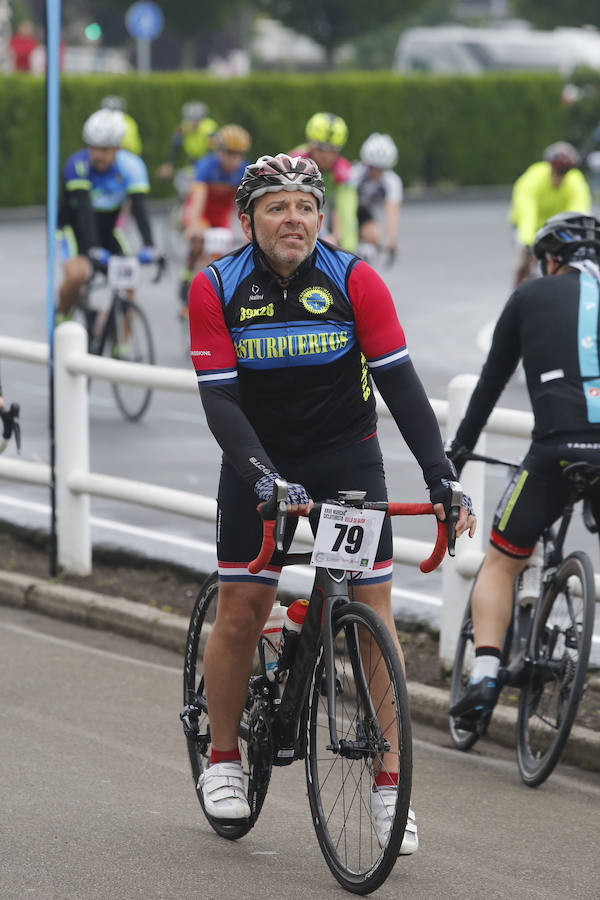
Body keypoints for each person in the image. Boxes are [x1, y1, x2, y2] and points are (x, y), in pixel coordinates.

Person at [188, 152, 476, 851]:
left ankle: (388, 786)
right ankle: (224, 756)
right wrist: (262, 477)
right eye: (278, 206)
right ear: (249, 217)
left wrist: (441, 477)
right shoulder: (216, 286)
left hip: (345, 457)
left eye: (306, 206)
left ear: (323, 215)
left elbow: (402, 387)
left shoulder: (355, 281)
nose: (295, 218)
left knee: (370, 608)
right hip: (258, 459)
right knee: (243, 609)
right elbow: (220, 401)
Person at [446, 211, 600, 730]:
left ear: (551, 261)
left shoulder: (530, 296)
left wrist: (459, 451)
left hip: (555, 448)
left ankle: (486, 673)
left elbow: (491, 382)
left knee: (501, 561)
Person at [56, 109, 156, 321]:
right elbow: (84, 211)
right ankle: (63, 317)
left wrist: (149, 245)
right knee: (77, 275)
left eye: (104, 149)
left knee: (129, 279)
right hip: (74, 230)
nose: (97, 154)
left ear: (117, 147)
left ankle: (122, 345)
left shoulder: (131, 166)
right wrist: (92, 247)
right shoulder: (78, 164)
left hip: (108, 229)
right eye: (92, 147)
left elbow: (139, 209)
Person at [178, 124, 251, 310]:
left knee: (225, 252)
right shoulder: (207, 165)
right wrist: (194, 225)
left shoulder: (243, 170)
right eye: (228, 153)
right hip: (200, 211)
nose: (232, 159)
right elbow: (198, 196)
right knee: (198, 239)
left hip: (220, 216)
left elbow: (246, 204)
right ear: (219, 151)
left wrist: (251, 229)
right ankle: (187, 277)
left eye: (237, 154)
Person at [509, 142, 591, 287]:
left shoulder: (575, 181)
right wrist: (528, 243)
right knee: (525, 262)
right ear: (550, 167)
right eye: (557, 171)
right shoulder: (533, 177)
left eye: (564, 172)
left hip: (554, 227)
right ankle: (516, 294)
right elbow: (527, 212)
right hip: (527, 225)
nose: (559, 177)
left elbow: (578, 213)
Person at [289, 112, 358, 252]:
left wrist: (348, 251)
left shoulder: (343, 170)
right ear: (310, 144)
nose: (326, 156)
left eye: (333, 150)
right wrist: (320, 235)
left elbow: (346, 211)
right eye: (320, 148)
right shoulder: (295, 161)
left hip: (329, 209)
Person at [351, 133, 402, 264]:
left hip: (364, 213)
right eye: (372, 167)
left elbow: (392, 212)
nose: (376, 172)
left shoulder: (392, 181)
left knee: (374, 234)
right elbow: (342, 205)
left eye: (381, 169)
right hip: (346, 210)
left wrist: (392, 241)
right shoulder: (354, 173)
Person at [157, 101, 219, 183]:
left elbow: (213, 151)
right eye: (191, 119)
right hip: (193, 161)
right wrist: (168, 164)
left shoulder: (209, 127)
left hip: (210, 161)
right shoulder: (183, 127)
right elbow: (175, 147)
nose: (194, 123)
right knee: (181, 180)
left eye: (197, 120)